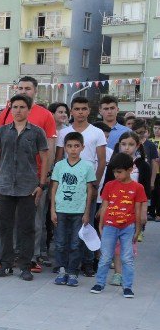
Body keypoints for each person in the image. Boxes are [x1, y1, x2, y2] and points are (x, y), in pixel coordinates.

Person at [0, 77, 57, 272]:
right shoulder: (2, 131)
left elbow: (46, 157)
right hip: (4, 184)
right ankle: (6, 263)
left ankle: (26, 264)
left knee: (28, 227)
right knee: (5, 226)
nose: (18, 110)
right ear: (10, 108)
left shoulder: (37, 131)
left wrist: (42, 183)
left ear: (29, 109)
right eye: (15, 107)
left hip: (29, 185)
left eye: (22, 107)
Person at [54, 97, 106, 276]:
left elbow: (101, 161)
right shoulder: (64, 132)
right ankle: (65, 264)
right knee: (64, 228)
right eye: (77, 109)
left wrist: (95, 184)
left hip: (88, 183)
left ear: (89, 110)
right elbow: (59, 159)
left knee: (87, 224)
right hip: (67, 185)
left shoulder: (97, 132)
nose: (80, 112)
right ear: (71, 111)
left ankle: (88, 262)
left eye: (84, 108)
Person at [91, 153, 147, 298]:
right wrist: (101, 225)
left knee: (127, 258)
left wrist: (138, 230)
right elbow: (104, 206)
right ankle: (99, 283)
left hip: (128, 227)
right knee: (105, 257)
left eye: (119, 172)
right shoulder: (109, 186)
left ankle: (127, 286)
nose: (116, 174)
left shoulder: (138, 188)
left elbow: (138, 210)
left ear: (130, 169)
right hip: (110, 226)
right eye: (114, 171)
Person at [50, 132, 96, 287]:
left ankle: (72, 271)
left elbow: (90, 190)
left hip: (78, 211)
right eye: (69, 146)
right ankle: (62, 270)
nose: (73, 149)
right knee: (60, 242)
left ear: (82, 147)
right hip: (61, 210)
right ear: (65, 148)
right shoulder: (59, 165)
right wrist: (52, 210)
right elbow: (54, 187)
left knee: (76, 243)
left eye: (76, 146)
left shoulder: (88, 166)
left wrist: (87, 212)